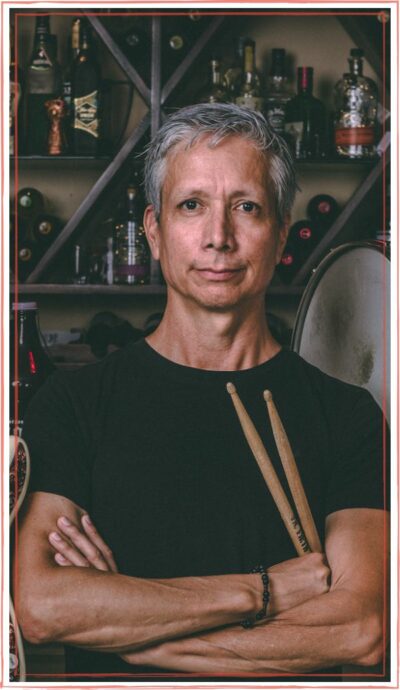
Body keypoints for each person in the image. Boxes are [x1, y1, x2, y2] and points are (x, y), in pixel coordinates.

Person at [17, 103, 389, 683]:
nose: (218, 237)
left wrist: (147, 640)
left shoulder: (345, 415)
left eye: (247, 207)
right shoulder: (73, 405)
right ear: (155, 231)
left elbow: (360, 630)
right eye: (192, 206)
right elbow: (42, 608)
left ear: (281, 234)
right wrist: (264, 591)